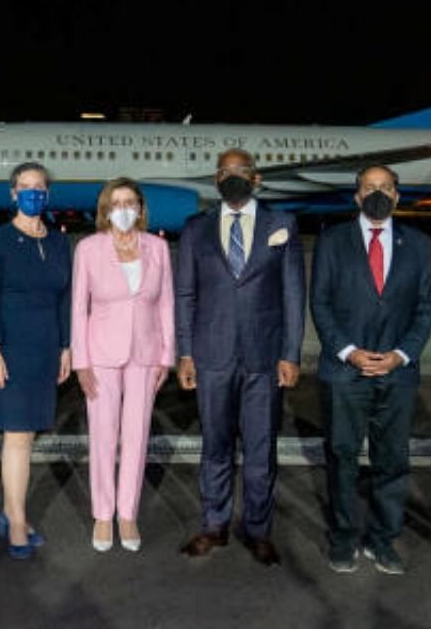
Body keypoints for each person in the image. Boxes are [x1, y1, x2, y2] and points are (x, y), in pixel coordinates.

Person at [175, 149, 305, 567]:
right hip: (211, 356)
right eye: (225, 172)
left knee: (260, 448)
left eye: (241, 172)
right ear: (215, 180)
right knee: (214, 444)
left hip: (264, 357)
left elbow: (292, 295)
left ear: (257, 178)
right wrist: (185, 353)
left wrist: (290, 353)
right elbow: (186, 295)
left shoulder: (281, 225)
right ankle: (214, 524)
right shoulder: (196, 228)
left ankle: (258, 529)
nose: (233, 178)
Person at [310, 164, 431, 575]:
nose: (377, 193)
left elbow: (424, 308)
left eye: (385, 187)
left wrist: (402, 354)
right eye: (369, 188)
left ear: (398, 195)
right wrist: (348, 351)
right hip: (345, 372)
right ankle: (343, 539)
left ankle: (384, 540)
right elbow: (321, 303)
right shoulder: (332, 241)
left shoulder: (417, 244)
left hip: (397, 373)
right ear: (357, 196)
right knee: (342, 458)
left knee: (392, 461)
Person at [0, 162, 71, 560]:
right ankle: (18, 521)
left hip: (45, 348)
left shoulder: (59, 242)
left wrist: (66, 347)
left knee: (29, 433)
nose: (33, 193)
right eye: (25, 187)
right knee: (18, 436)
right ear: (12, 193)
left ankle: (10, 512)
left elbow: (65, 299)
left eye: (39, 186)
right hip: (9, 348)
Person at [71, 178, 174, 553]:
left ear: (141, 208)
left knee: (137, 434)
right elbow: (78, 307)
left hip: (146, 354)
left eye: (131, 202)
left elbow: (165, 304)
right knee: (102, 435)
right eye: (117, 203)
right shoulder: (88, 248)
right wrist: (81, 361)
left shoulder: (158, 248)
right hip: (101, 355)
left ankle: (127, 512)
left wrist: (167, 355)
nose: (124, 209)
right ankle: (102, 513)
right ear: (105, 209)